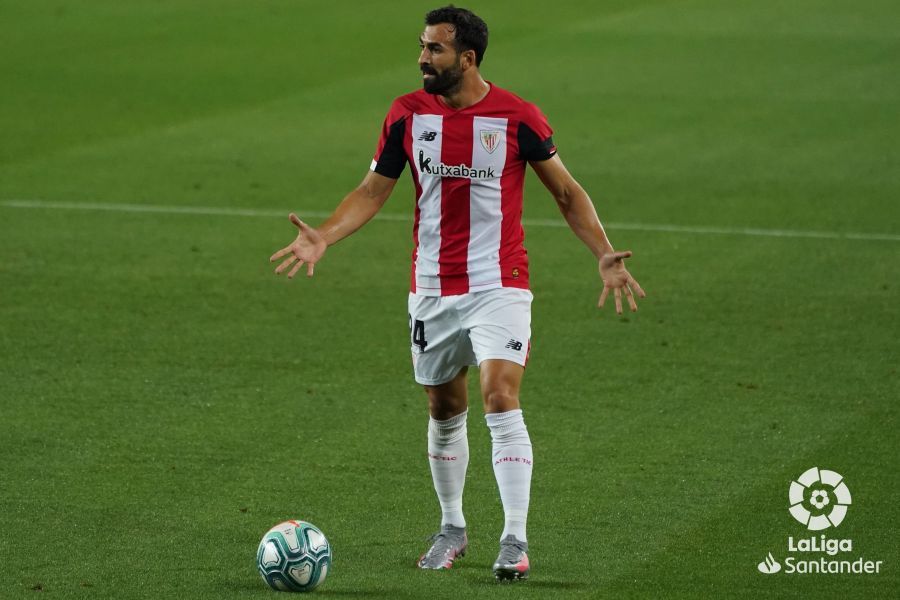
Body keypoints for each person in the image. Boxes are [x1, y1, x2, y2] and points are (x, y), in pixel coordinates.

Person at [270, 5, 645, 582]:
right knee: (445, 408)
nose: (423, 58)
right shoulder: (406, 113)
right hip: (430, 287)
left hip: (500, 283)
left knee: (500, 397)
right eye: (422, 47)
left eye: (435, 49)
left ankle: (514, 538)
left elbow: (567, 193)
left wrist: (603, 252)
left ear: (467, 57)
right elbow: (373, 190)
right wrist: (326, 236)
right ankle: (452, 527)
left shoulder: (517, 117)